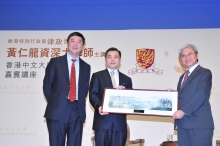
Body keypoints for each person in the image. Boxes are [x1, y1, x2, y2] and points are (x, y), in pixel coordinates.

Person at [43, 32, 91, 146]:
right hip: (57, 111)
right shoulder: (55, 62)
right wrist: (57, 103)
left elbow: (84, 90)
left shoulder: (86, 66)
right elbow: (47, 86)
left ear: (83, 46)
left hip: (77, 111)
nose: (75, 44)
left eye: (79, 42)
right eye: (72, 41)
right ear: (67, 43)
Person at [89, 47, 133, 146]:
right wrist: (99, 106)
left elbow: (131, 100)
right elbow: (93, 94)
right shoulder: (97, 76)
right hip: (102, 123)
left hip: (119, 124)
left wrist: (124, 93)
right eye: (109, 57)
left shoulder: (127, 79)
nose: (112, 60)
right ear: (105, 60)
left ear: (120, 60)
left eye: (115, 57)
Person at [173, 44, 214, 146]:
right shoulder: (182, 77)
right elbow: (183, 96)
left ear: (197, 55)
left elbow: (201, 95)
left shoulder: (204, 73)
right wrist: (172, 94)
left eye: (189, 54)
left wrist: (183, 111)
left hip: (199, 125)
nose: (186, 57)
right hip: (183, 125)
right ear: (180, 59)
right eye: (183, 55)